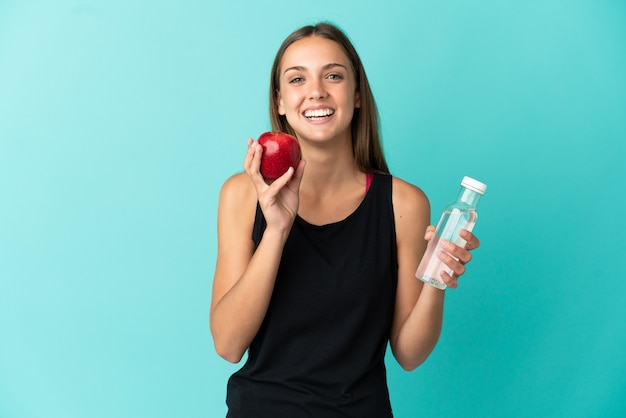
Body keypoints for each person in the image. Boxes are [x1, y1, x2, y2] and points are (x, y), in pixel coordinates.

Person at [210, 22, 480, 417]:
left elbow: (408, 354)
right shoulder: (242, 194)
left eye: (333, 75)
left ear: (356, 95)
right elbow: (228, 344)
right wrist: (277, 231)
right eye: (297, 78)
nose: (316, 91)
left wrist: (437, 280)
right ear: (280, 100)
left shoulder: (402, 203)